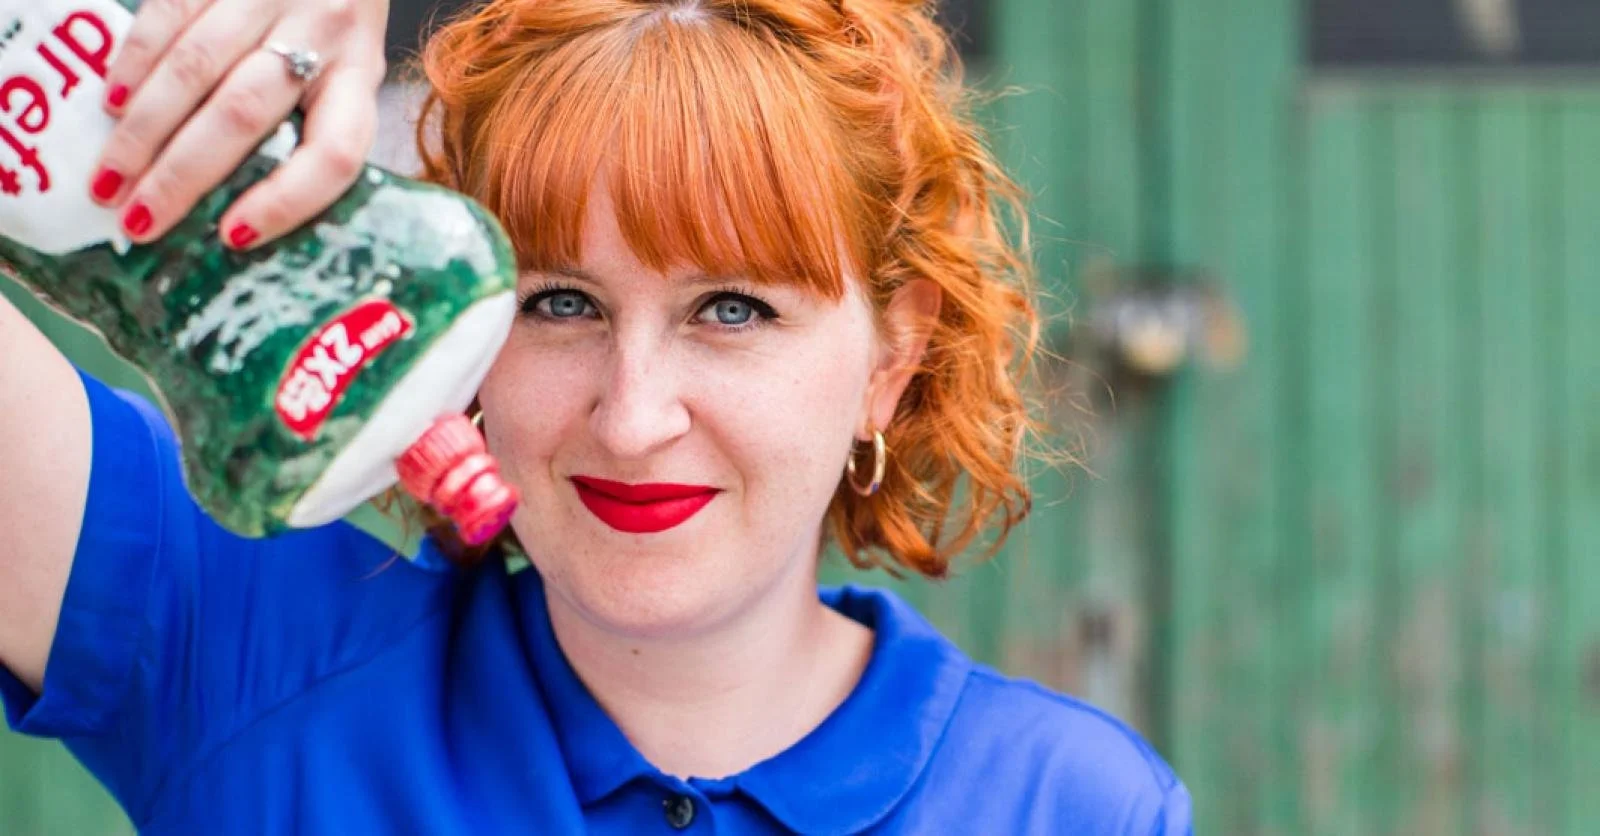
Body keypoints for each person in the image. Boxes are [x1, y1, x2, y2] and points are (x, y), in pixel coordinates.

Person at [0, 0, 1192, 832]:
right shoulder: (233, 657)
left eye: (731, 309)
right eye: (559, 301)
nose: (631, 416)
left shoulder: (1069, 804)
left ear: (892, 352)